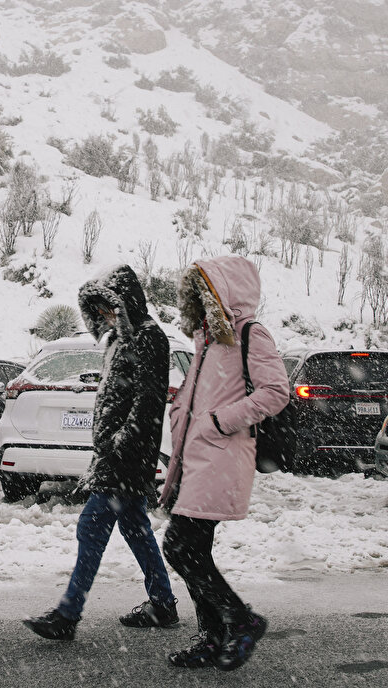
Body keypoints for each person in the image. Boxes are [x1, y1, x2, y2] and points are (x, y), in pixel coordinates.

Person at [24, 264, 179, 641]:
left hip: (127, 457)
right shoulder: (116, 341)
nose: (104, 317)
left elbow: (147, 403)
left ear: (126, 302)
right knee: (135, 529)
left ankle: (68, 614)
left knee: (92, 526)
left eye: (108, 308)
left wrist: (119, 446)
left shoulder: (149, 337)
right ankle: (162, 603)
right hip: (113, 455)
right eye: (97, 311)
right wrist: (105, 449)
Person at [159, 255, 290, 671]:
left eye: (206, 290)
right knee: (193, 550)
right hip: (194, 459)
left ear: (224, 293)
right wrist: (182, 406)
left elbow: (275, 391)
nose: (198, 299)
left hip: (219, 456)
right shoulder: (209, 341)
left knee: (180, 548)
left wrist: (219, 421)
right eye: (195, 292)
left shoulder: (250, 333)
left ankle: (240, 620)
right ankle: (212, 637)